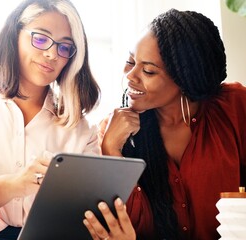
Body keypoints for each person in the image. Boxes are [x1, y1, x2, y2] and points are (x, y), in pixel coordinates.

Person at [83, 8, 246, 240]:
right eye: (131, 61)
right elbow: (132, 229)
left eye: (148, 70)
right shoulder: (113, 132)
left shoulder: (235, 108)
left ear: (185, 77)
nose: (130, 75)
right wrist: (111, 150)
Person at [0, 0, 101, 239]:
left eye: (64, 47)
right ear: (14, 36)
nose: (52, 54)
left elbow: (87, 207)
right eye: (41, 39)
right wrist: (16, 184)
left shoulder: (79, 128)